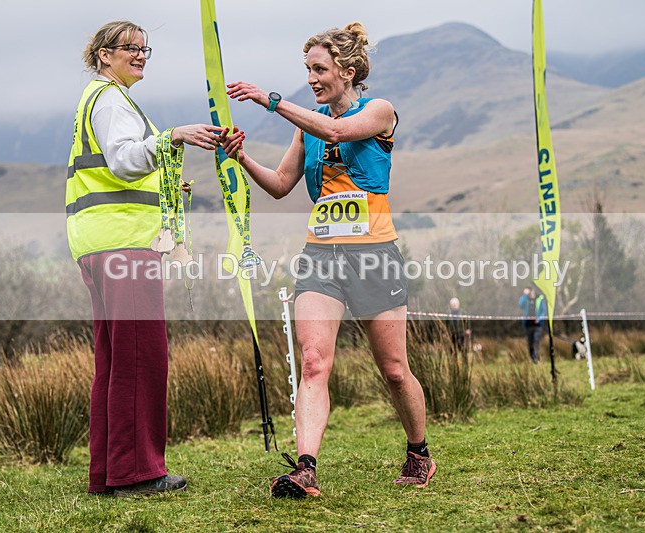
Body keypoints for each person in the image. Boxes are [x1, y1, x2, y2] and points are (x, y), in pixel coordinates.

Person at [222, 22, 436, 498]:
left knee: (394, 369)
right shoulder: (308, 126)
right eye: (308, 70)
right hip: (321, 257)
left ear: (348, 69)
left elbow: (338, 129)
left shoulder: (379, 110)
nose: (313, 78)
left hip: (375, 256)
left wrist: (272, 101)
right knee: (315, 363)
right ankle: (305, 468)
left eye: (319, 69)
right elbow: (280, 185)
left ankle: (419, 451)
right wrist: (241, 158)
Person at [66, 20, 224, 497]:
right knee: (142, 358)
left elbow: (122, 170)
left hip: (99, 243)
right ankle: (136, 473)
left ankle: (108, 473)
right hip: (124, 245)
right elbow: (122, 160)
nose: (139, 55)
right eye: (128, 48)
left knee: (114, 361)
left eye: (144, 48)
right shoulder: (111, 100)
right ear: (102, 55)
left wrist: (166, 189)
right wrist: (173, 137)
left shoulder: (101, 100)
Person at [518, 286, 547, 363]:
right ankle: (532, 358)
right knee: (530, 342)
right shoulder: (526, 299)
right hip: (528, 324)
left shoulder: (540, 299)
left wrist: (539, 318)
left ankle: (536, 358)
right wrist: (524, 295)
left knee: (536, 341)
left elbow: (544, 311)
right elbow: (520, 305)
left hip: (537, 325)